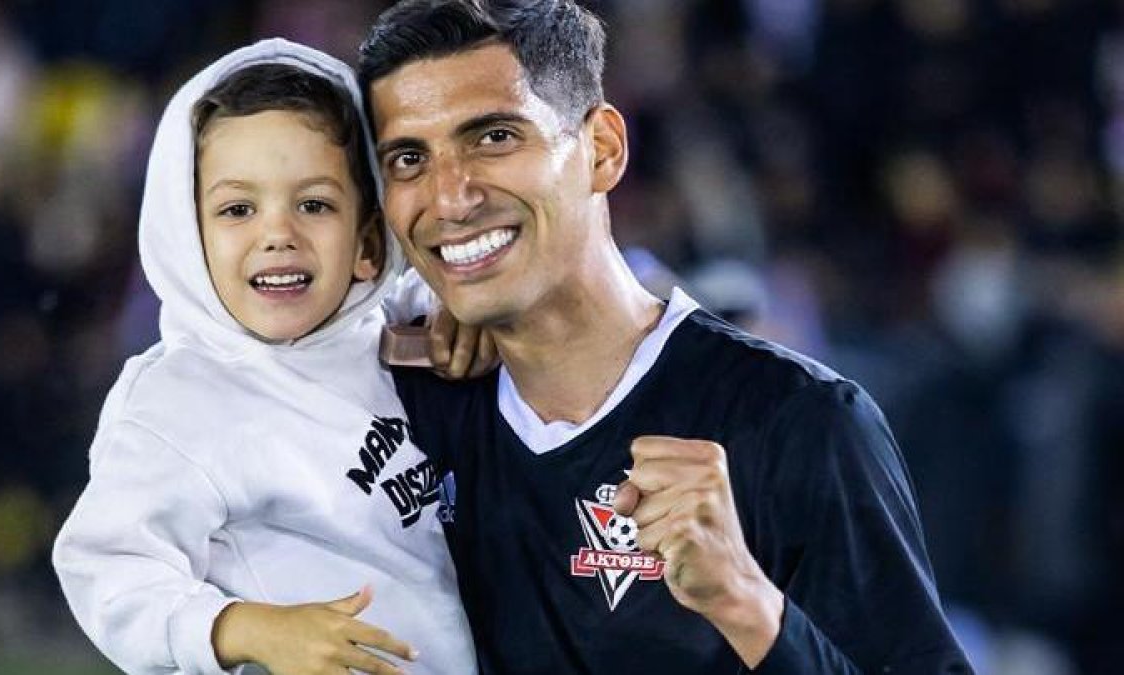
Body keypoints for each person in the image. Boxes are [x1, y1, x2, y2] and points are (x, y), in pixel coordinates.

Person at [357, 1, 975, 673]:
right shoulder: (408, 414)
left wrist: (744, 602)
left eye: (495, 138)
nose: (450, 198)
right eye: (409, 158)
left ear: (603, 149)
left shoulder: (799, 420)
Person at [51, 39, 477, 675]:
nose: (278, 233)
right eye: (238, 209)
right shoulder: (177, 400)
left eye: (314, 204)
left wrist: (474, 316)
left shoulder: (395, 331)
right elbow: (107, 569)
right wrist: (244, 628)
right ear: (187, 236)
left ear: (367, 243)